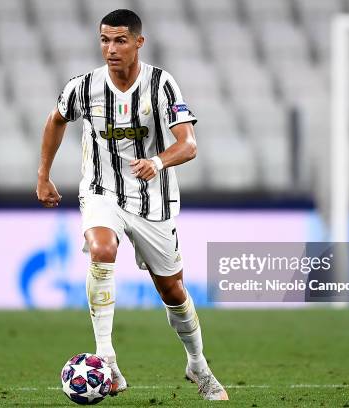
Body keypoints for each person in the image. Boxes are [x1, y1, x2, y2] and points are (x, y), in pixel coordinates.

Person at [36, 9, 228, 401]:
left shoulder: (161, 84)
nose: (111, 48)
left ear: (139, 42)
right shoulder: (84, 86)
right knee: (102, 249)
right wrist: (43, 174)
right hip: (101, 191)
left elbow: (188, 144)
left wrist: (157, 162)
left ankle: (198, 366)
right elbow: (56, 120)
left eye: (120, 40)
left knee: (173, 290)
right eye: (105, 40)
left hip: (152, 201)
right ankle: (106, 358)